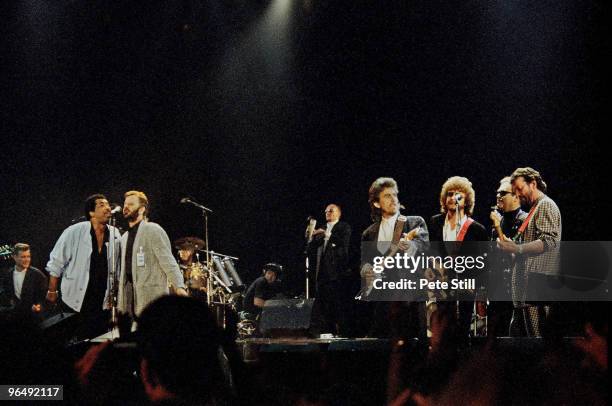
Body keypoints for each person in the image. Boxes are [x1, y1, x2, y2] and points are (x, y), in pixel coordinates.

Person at [360, 177, 429, 337]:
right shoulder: (369, 233)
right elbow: (364, 263)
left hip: (410, 300)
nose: (393, 199)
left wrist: (410, 246)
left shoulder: (414, 222)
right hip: (382, 303)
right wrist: (366, 270)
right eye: (387, 196)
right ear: (376, 203)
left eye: (395, 195)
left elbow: (424, 249)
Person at [46, 194, 121, 340]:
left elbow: (116, 267)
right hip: (75, 299)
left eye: (108, 205)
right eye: (101, 205)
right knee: (74, 341)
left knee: (97, 341)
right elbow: (56, 262)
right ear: (91, 213)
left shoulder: (115, 233)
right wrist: (52, 290)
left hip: (101, 300)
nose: (107, 208)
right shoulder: (74, 231)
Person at [497, 167, 561, 337]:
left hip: (535, 291)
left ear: (533, 184)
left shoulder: (545, 205)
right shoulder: (535, 209)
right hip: (525, 294)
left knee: (536, 345)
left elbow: (549, 241)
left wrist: (517, 248)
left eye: (520, 189)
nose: (517, 194)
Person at [427, 176, 488, 341]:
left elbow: (483, 264)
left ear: (467, 199)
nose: (452, 198)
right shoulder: (434, 223)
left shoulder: (477, 230)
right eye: (449, 194)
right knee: (442, 332)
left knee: (463, 333)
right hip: (441, 286)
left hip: (466, 290)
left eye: (458, 194)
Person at [118, 190, 187, 320]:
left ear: (142, 209)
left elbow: (168, 261)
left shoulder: (153, 230)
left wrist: (179, 287)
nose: (125, 207)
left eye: (131, 204)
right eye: (125, 204)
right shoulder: (124, 238)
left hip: (151, 298)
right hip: (129, 299)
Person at [489, 176, 528, 336]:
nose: (498, 196)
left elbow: (516, 254)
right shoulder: (499, 222)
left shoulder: (525, 220)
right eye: (497, 193)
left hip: (517, 294)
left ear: (516, 196)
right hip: (498, 293)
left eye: (503, 193)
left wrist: (498, 227)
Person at [306, 204, 351, 335]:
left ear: (339, 213)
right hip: (322, 273)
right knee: (322, 304)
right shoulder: (322, 228)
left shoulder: (343, 227)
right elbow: (310, 250)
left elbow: (343, 245)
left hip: (336, 273)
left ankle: (342, 332)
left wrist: (327, 234)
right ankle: (325, 331)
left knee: (337, 303)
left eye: (331, 210)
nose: (327, 213)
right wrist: (309, 237)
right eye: (326, 211)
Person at [0, 243, 47, 318]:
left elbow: (44, 298)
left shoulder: (38, 275)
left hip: (35, 318)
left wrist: (39, 306)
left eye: (28, 256)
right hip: (16, 317)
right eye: (23, 257)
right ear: (14, 257)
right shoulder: (8, 275)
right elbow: (7, 295)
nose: (27, 260)